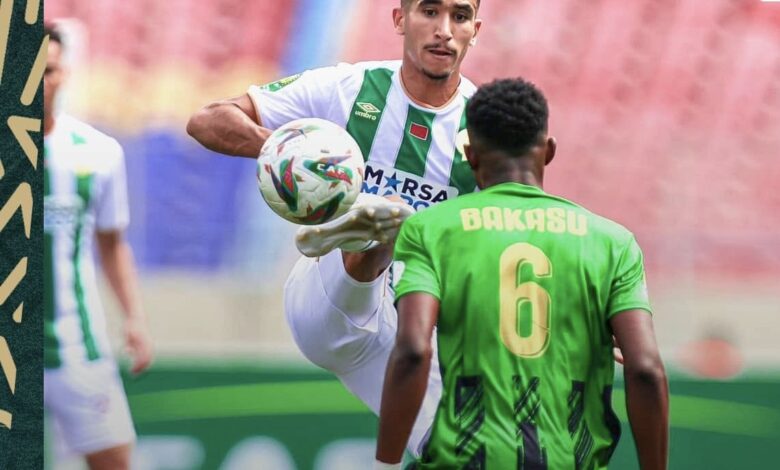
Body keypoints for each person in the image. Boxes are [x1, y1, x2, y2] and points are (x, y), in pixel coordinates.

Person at [187, 0, 482, 457]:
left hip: (408, 333)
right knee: (385, 229)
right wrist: (291, 154)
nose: (444, 29)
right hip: (328, 299)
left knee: (470, 453)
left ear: (474, 30)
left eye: (459, 17)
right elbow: (206, 121)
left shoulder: (485, 125)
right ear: (400, 19)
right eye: (429, 12)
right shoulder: (348, 87)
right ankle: (370, 229)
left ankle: (374, 221)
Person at [376, 78, 669, 469]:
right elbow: (646, 369)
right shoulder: (613, 243)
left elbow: (413, 350)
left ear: (470, 155)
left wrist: (385, 463)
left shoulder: (430, 229)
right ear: (549, 151)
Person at [44, 24, 154, 470]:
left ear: (64, 74)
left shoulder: (96, 152)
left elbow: (111, 244)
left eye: (48, 71)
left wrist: (134, 318)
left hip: (77, 347)